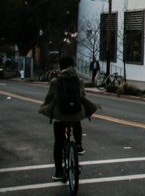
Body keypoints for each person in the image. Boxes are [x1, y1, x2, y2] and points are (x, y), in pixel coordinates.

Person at [39, 53, 100, 181]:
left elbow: (49, 98)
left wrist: (44, 107)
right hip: (75, 114)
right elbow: (82, 96)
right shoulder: (79, 81)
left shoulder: (55, 82)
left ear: (61, 67)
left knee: (58, 144)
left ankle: (59, 172)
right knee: (76, 120)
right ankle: (78, 145)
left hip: (60, 116)